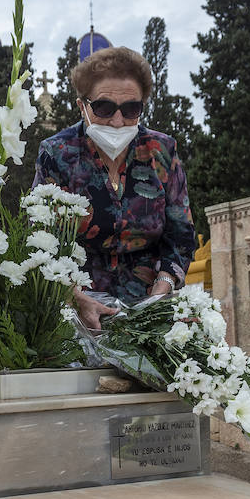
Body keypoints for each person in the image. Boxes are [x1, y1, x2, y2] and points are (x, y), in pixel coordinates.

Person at [32, 45, 198, 329]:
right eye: (104, 108)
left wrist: (163, 286)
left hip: (148, 311)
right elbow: (38, 238)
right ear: (82, 106)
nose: (118, 121)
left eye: (131, 109)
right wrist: (73, 298)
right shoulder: (57, 153)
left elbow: (181, 236)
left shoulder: (162, 151)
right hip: (76, 310)